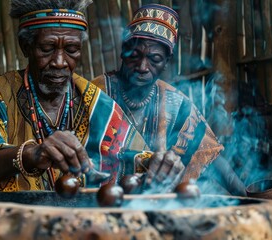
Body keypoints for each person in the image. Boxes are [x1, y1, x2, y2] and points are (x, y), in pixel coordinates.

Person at [0, 0, 185, 193]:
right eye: (47, 48)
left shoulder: (93, 101)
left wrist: (156, 162)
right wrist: (32, 153)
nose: (59, 62)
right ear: (26, 46)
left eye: (71, 50)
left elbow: (128, 155)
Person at [92, 4, 246, 195]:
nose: (142, 66)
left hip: (156, 204)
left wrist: (248, 198)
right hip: (98, 202)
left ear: (166, 62)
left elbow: (208, 154)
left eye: (154, 59)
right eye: (135, 55)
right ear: (123, 52)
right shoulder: (95, 93)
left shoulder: (175, 103)